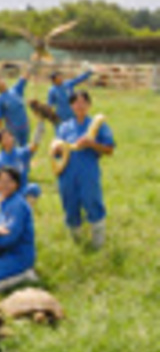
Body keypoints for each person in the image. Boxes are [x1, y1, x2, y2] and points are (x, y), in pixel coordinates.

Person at [53, 91, 115, 249]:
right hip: (67, 174)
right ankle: (77, 241)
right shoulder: (64, 127)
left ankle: (97, 242)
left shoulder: (97, 125)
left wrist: (91, 144)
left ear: (89, 105)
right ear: (71, 106)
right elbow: (57, 151)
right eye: (76, 102)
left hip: (88, 173)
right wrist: (57, 150)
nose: (79, 106)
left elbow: (109, 149)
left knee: (92, 202)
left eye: (83, 102)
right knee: (70, 205)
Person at [0, 123, 45, 205]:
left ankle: (25, 208)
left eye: (10, 136)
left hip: (22, 189)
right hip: (5, 192)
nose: (8, 139)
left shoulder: (21, 153)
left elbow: (33, 147)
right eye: (5, 138)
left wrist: (39, 132)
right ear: (1, 142)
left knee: (35, 188)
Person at [0, 68, 31, 146]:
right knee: (15, 152)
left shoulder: (16, 90)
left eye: (1, 79)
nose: (2, 81)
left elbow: (24, 78)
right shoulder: (0, 100)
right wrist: (2, 134)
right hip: (13, 130)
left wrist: (32, 63)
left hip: (24, 126)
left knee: (25, 151)